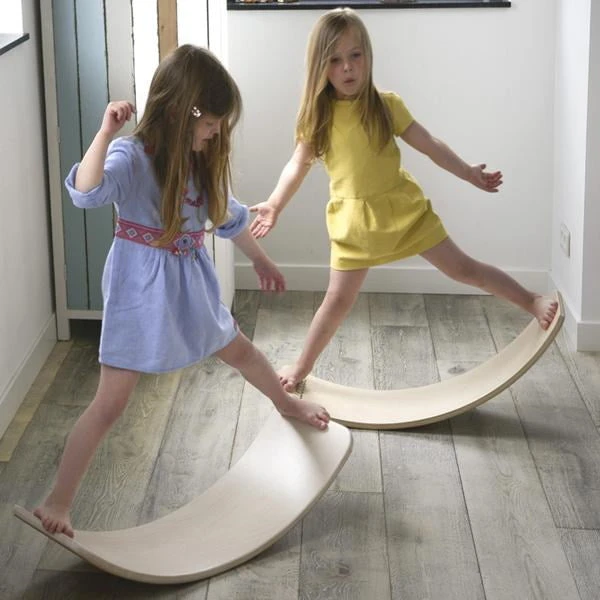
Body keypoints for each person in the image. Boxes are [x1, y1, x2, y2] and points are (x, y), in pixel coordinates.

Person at [34, 45, 330, 538]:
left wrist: (261, 260)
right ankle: (58, 500)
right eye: (210, 123)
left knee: (241, 351)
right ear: (179, 111)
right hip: (138, 290)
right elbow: (85, 192)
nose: (214, 133)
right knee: (110, 405)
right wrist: (105, 134)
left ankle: (286, 403)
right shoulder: (132, 156)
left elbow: (229, 217)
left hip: (190, 282)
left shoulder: (200, 160)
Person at [250, 8, 558, 393]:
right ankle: (300, 367)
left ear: (368, 56)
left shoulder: (386, 105)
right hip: (354, 225)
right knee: (337, 302)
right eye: (335, 60)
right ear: (320, 66)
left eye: (355, 55)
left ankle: (531, 300)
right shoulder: (319, 115)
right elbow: (297, 164)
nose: (347, 67)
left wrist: (467, 172)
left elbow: (429, 144)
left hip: (403, 213)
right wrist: (275, 204)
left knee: (463, 268)